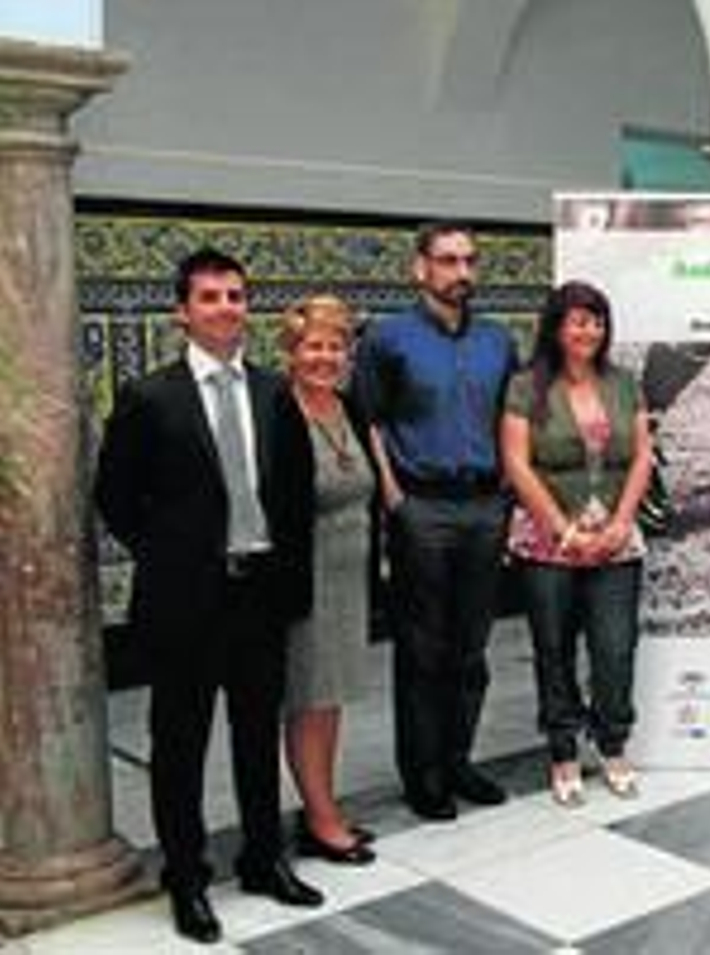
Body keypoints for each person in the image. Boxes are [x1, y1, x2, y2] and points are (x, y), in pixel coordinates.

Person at [94, 248, 323, 944]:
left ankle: (263, 858)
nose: (226, 307)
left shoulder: (273, 392)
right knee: (180, 743)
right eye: (211, 297)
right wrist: (171, 556)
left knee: (257, 734)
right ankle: (187, 877)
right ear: (183, 312)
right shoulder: (149, 398)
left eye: (235, 295)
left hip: (260, 594)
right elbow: (114, 496)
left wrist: (288, 583)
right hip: (186, 600)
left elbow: (294, 494)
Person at [353, 222, 518, 821]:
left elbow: (512, 418)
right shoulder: (387, 338)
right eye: (448, 260)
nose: (462, 272)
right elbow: (369, 419)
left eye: (469, 260)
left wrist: (507, 494)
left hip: (484, 506)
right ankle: (422, 774)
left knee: (471, 647)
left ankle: (458, 760)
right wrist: (393, 495)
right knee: (423, 648)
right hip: (420, 506)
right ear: (420, 268)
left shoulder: (499, 340)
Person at [501, 280, 653, 807]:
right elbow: (516, 462)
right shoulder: (526, 386)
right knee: (554, 648)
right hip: (548, 543)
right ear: (557, 327)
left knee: (615, 649)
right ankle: (563, 750)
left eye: (597, 321)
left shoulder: (625, 383)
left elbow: (642, 456)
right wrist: (564, 531)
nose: (590, 330)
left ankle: (612, 744)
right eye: (579, 321)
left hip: (616, 541)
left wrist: (621, 522)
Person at [277, 295, 378, 866]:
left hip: (349, 579)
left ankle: (325, 804)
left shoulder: (347, 406)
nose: (325, 357)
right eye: (313, 346)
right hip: (305, 582)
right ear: (291, 352)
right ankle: (319, 820)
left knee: (330, 699)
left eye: (335, 347)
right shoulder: (278, 411)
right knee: (309, 701)